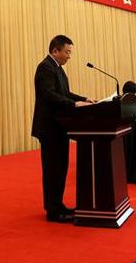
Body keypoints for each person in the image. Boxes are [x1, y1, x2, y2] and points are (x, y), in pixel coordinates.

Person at [32, 35, 94, 223]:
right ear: (55, 50)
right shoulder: (45, 67)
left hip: (60, 127)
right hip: (50, 128)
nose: (69, 56)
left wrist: (83, 99)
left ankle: (58, 205)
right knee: (53, 170)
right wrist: (74, 105)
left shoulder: (57, 69)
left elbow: (65, 94)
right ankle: (53, 211)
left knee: (60, 168)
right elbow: (48, 94)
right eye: (67, 52)